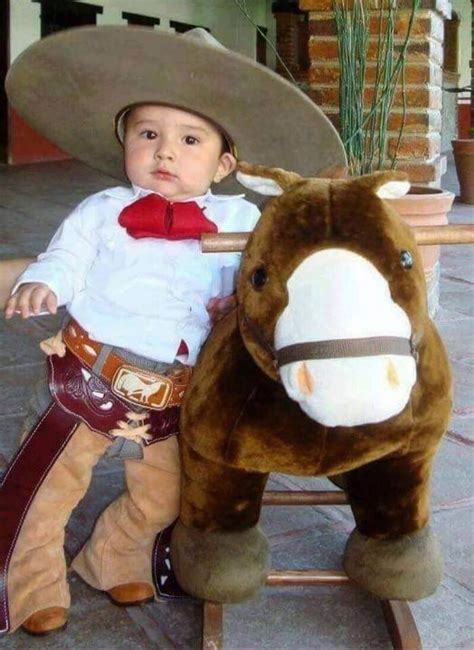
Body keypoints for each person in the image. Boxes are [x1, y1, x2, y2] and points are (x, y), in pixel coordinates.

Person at [1, 25, 345, 636]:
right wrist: (46, 283)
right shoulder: (102, 211)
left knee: (163, 499)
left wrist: (239, 306)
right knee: (46, 491)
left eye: (190, 140)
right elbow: (67, 257)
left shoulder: (240, 220)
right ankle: (31, 585)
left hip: (173, 395)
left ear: (224, 164)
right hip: (86, 379)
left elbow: (254, 282)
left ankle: (113, 557)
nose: (166, 152)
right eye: (148, 134)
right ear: (123, 143)